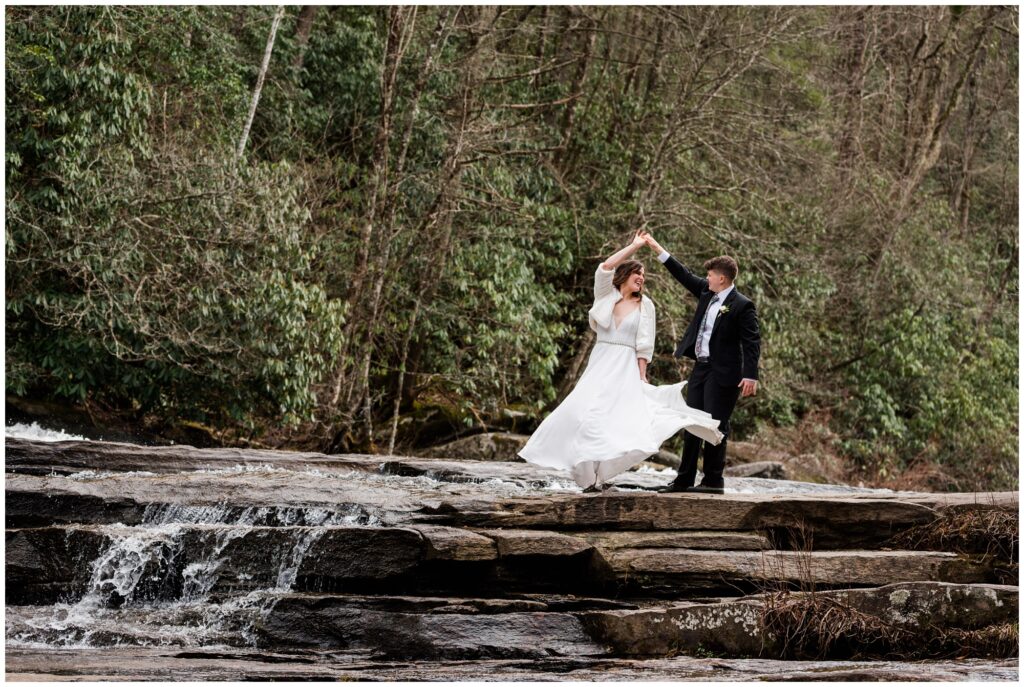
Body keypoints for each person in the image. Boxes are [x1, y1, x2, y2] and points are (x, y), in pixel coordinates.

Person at [518, 231, 723, 492]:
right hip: (600, 362)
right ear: (625, 275)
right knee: (581, 412)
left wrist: (642, 374)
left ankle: (599, 477)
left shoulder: (645, 305)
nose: (642, 279)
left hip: (625, 366)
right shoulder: (606, 295)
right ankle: (584, 472)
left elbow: (644, 343)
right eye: (639, 273)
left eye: (645, 276)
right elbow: (604, 268)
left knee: (614, 420)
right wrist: (635, 245)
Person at [644, 233, 760, 494]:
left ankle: (712, 481)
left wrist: (750, 375)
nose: (706, 278)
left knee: (715, 424)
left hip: (725, 374)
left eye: (710, 275)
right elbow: (683, 275)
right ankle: (684, 479)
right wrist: (657, 248)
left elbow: (752, 342)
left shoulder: (742, 305)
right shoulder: (708, 294)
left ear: (722, 278)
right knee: (692, 422)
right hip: (702, 368)